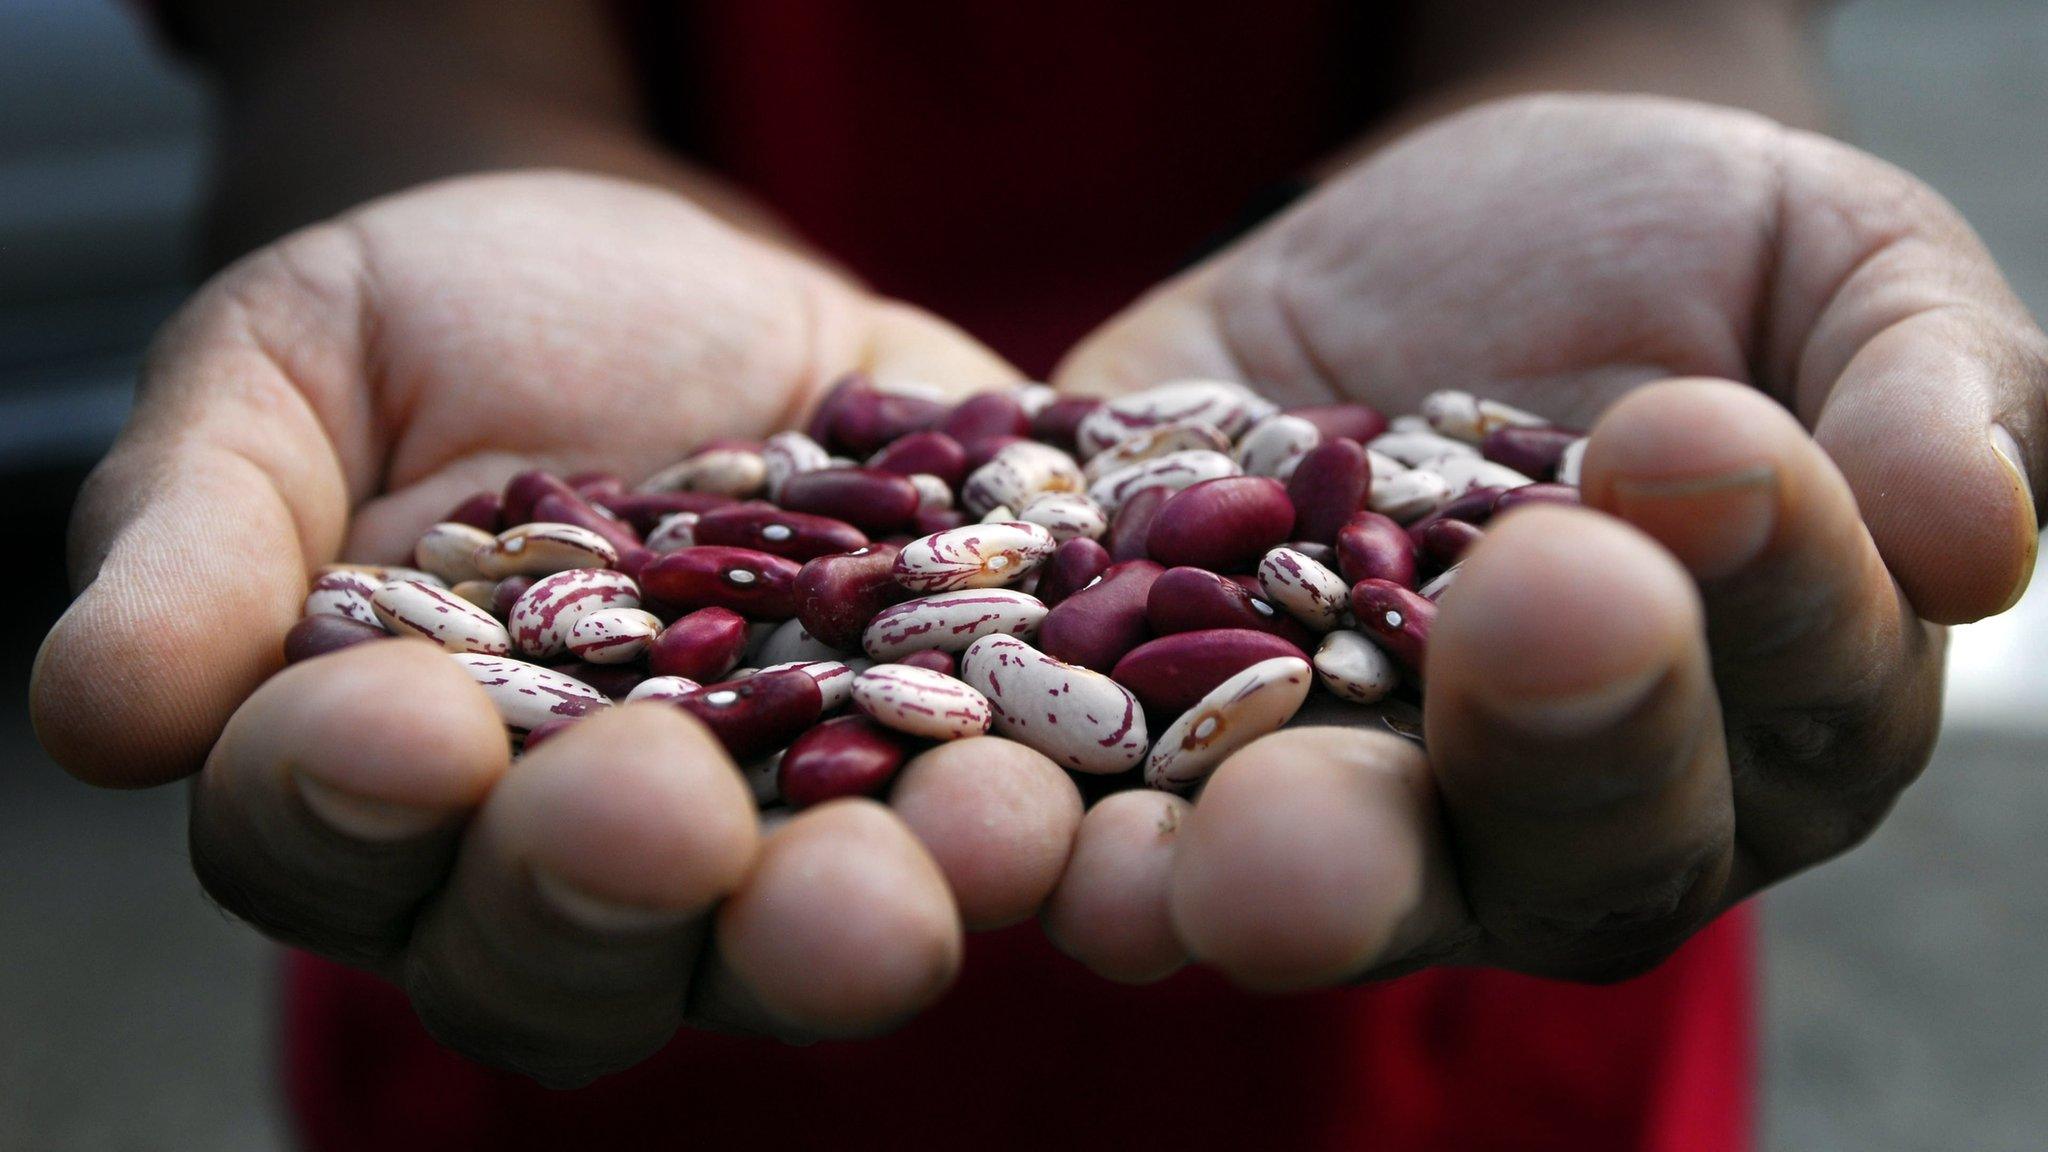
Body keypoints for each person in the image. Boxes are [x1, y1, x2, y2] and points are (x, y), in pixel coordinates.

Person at [32, 2, 2043, 1149]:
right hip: (609, 1005)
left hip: (1444, 951)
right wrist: (438, 203)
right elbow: (369, 44)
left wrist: (1640, 125)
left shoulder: (1381, 572)